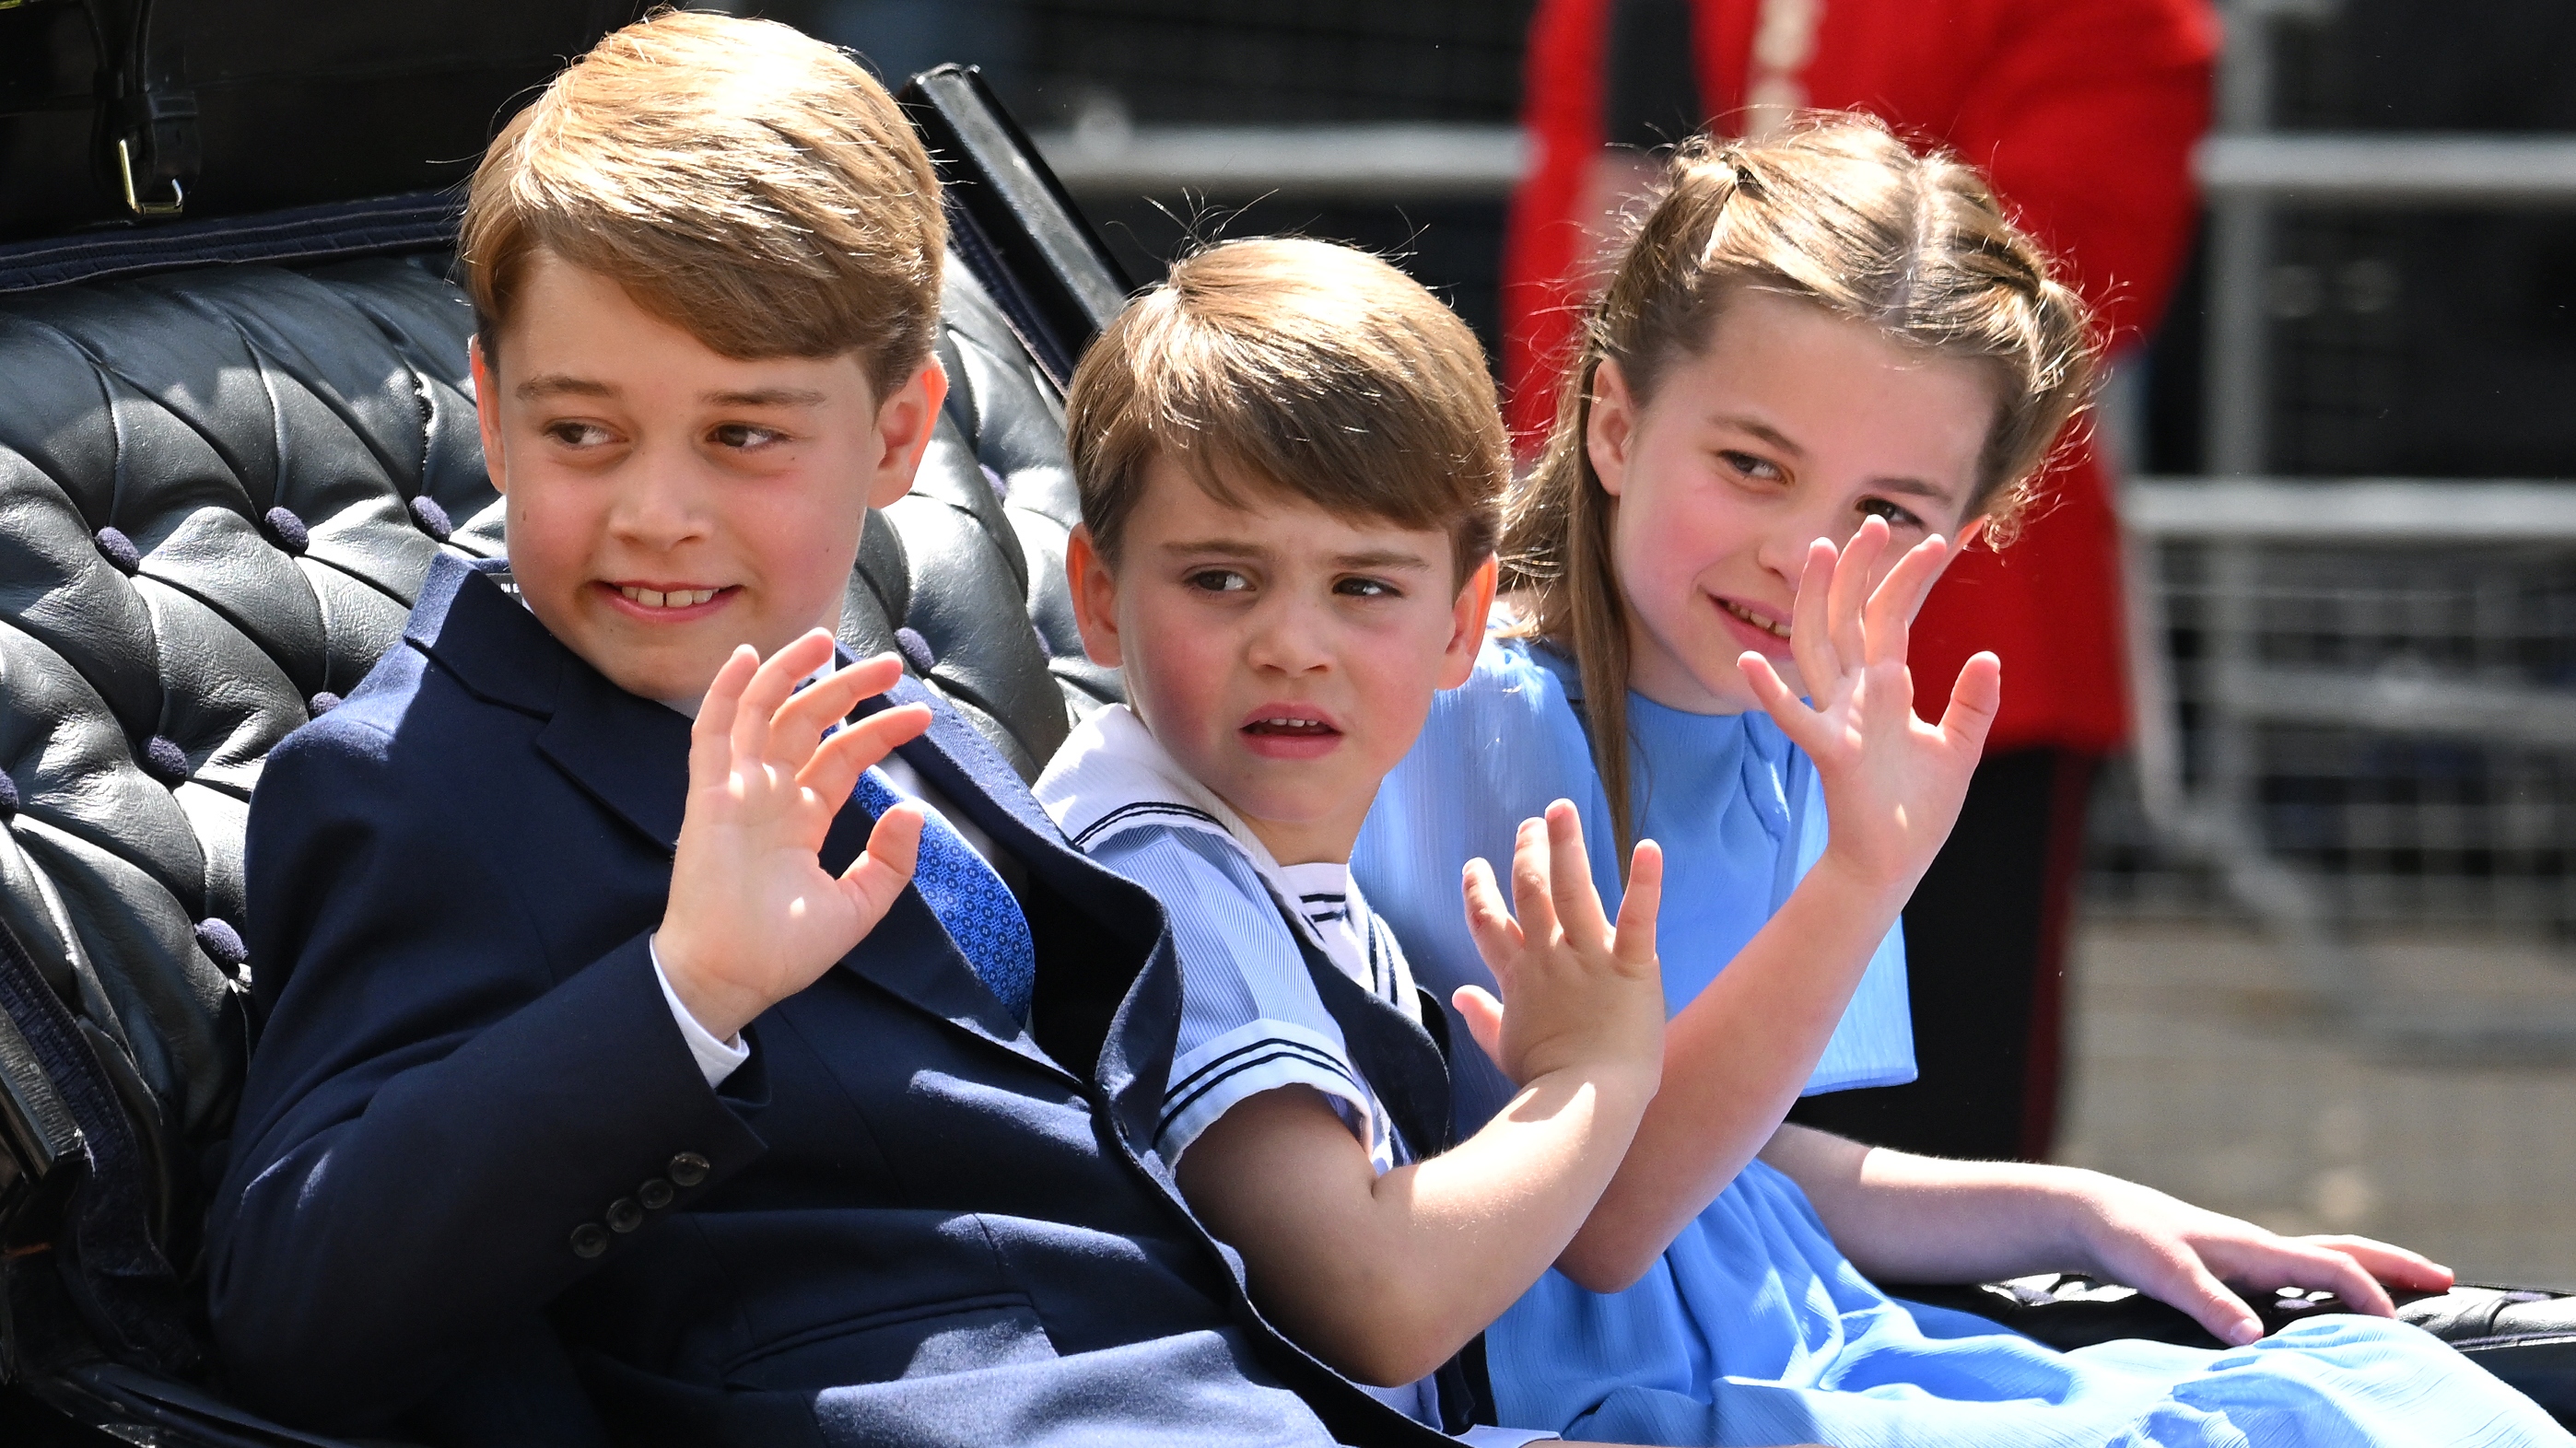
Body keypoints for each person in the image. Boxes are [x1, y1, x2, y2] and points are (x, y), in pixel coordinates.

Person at [205, 17, 1467, 1447]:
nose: (656, 510)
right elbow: (289, 1300)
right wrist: (687, 988)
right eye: (582, 434)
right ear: (492, 417)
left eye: (744, 435)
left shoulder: (865, 700)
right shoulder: (420, 783)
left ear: (895, 437)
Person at [1352, 116, 2569, 1446]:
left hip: (1813, 1334)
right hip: (1605, 1392)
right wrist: (1863, 879)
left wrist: (2081, 1209)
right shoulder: (1466, 720)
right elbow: (1610, 1216)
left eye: (1886, 516)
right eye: (1752, 466)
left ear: (1966, 536)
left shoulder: (1811, 739)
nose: (1802, 557)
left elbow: (1742, 1170)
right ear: (1615, 426)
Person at [1502, 0, 2219, 1161]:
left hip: (1947, 651)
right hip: (1651, 613)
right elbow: (1585, 257)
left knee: (1937, 1120)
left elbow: (2055, 279)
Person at [1033, 239, 1676, 1445]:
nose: (1293, 643)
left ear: (1462, 622)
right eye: (1223, 578)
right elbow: (1378, 1301)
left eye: (1365, 587)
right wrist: (1598, 1076)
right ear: (1102, 595)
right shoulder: (1166, 882)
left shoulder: (1260, 855)